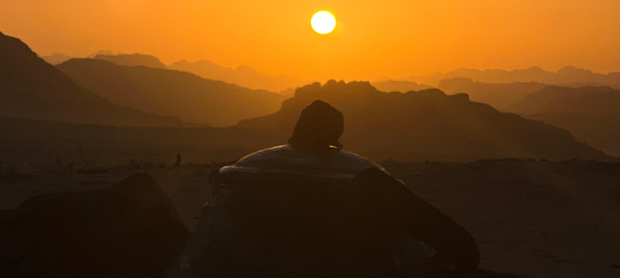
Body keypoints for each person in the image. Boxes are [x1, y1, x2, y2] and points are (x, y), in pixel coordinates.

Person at [168, 100, 480, 278]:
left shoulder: (248, 176)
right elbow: (456, 244)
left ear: (296, 130)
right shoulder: (366, 182)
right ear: (337, 133)